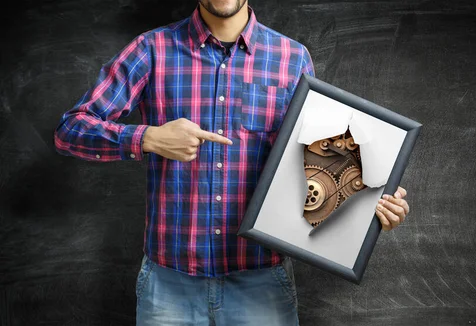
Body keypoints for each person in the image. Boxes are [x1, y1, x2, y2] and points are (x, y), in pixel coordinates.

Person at [53, 0, 410, 324]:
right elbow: (70, 129)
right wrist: (147, 138)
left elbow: (315, 166)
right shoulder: (152, 50)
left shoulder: (291, 57)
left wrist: (368, 206)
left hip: (261, 286)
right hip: (169, 285)